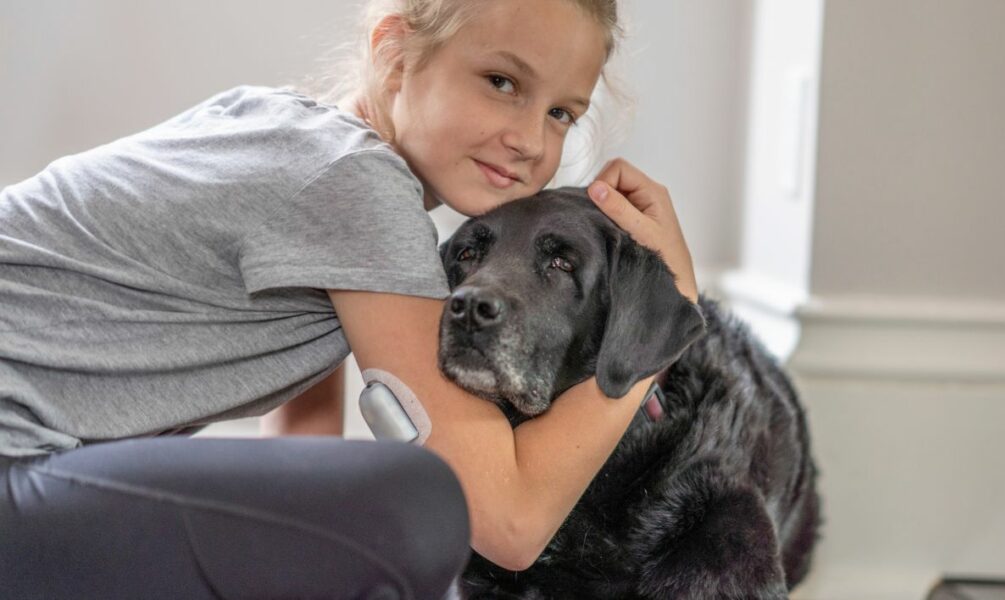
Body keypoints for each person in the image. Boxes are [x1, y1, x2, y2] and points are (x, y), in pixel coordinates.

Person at [0, 0, 699, 598]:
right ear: (395, 54)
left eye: (561, 114)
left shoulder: (297, 138)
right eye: (500, 81)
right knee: (419, 503)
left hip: (30, 457)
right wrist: (667, 308)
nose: (528, 140)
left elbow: (304, 444)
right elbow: (509, 525)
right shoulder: (356, 190)